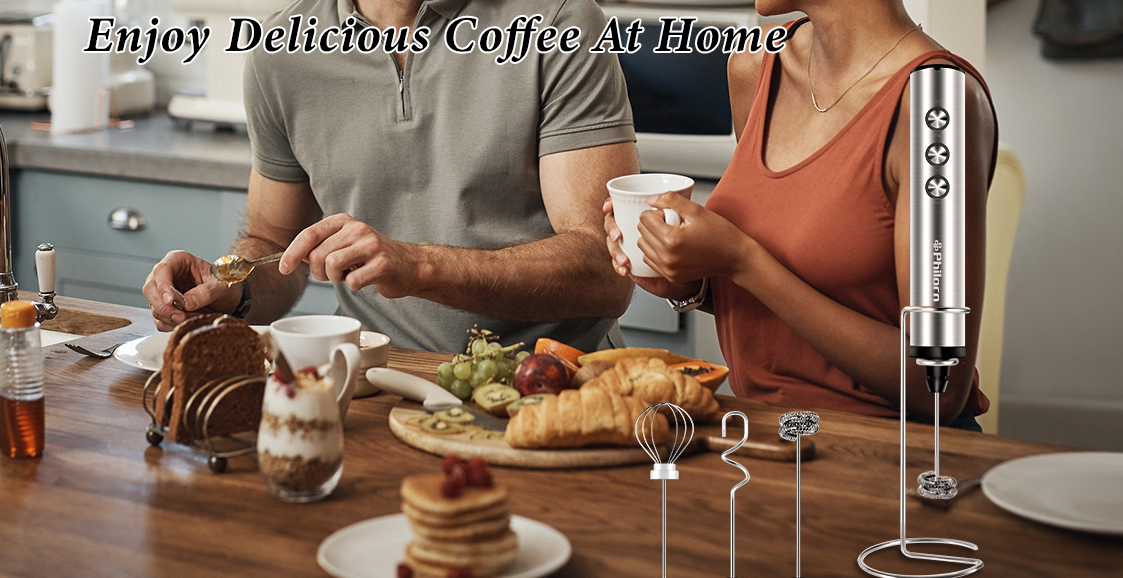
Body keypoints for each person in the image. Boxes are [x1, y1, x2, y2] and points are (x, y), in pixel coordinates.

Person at [142, 0, 639, 353]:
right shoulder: (281, 54)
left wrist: (418, 266)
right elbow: (274, 241)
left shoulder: (560, 19)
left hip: (552, 385)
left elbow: (605, 268)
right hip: (372, 382)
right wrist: (230, 287)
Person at [603, 0, 997, 430]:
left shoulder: (935, 108)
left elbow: (938, 383)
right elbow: (786, 292)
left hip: (895, 451)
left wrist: (742, 261)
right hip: (767, 435)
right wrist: (689, 280)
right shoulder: (755, 67)